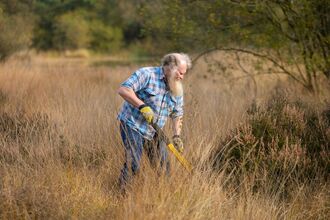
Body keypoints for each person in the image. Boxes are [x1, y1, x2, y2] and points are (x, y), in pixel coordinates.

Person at [117, 53, 192, 190]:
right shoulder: (146, 74)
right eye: (179, 73)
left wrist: (176, 136)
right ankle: (121, 195)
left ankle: (164, 197)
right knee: (133, 163)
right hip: (133, 124)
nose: (181, 77)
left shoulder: (177, 88)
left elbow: (177, 114)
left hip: (155, 131)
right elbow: (123, 89)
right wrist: (142, 106)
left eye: (183, 74)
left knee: (164, 169)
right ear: (169, 67)